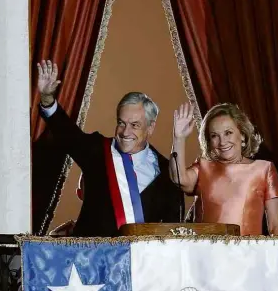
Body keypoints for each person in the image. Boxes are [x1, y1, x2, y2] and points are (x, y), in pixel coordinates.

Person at [37, 60, 181, 237]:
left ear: (150, 127)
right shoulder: (98, 151)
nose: (125, 132)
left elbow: (172, 229)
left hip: (139, 262)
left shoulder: (167, 172)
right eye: (121, 123)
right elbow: (68, 135)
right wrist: (47, 99)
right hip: (90, 259)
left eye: (135, 125)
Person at [169, 102, 278, 236]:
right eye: (214, 136)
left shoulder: (264, 169)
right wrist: (179, 138)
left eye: (228, 133)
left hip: (247, 254)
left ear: (242, 134)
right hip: (204, 253)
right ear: (209, 141)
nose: (222, 141)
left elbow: (276, 225)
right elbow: (178, 178)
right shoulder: (203, 167)